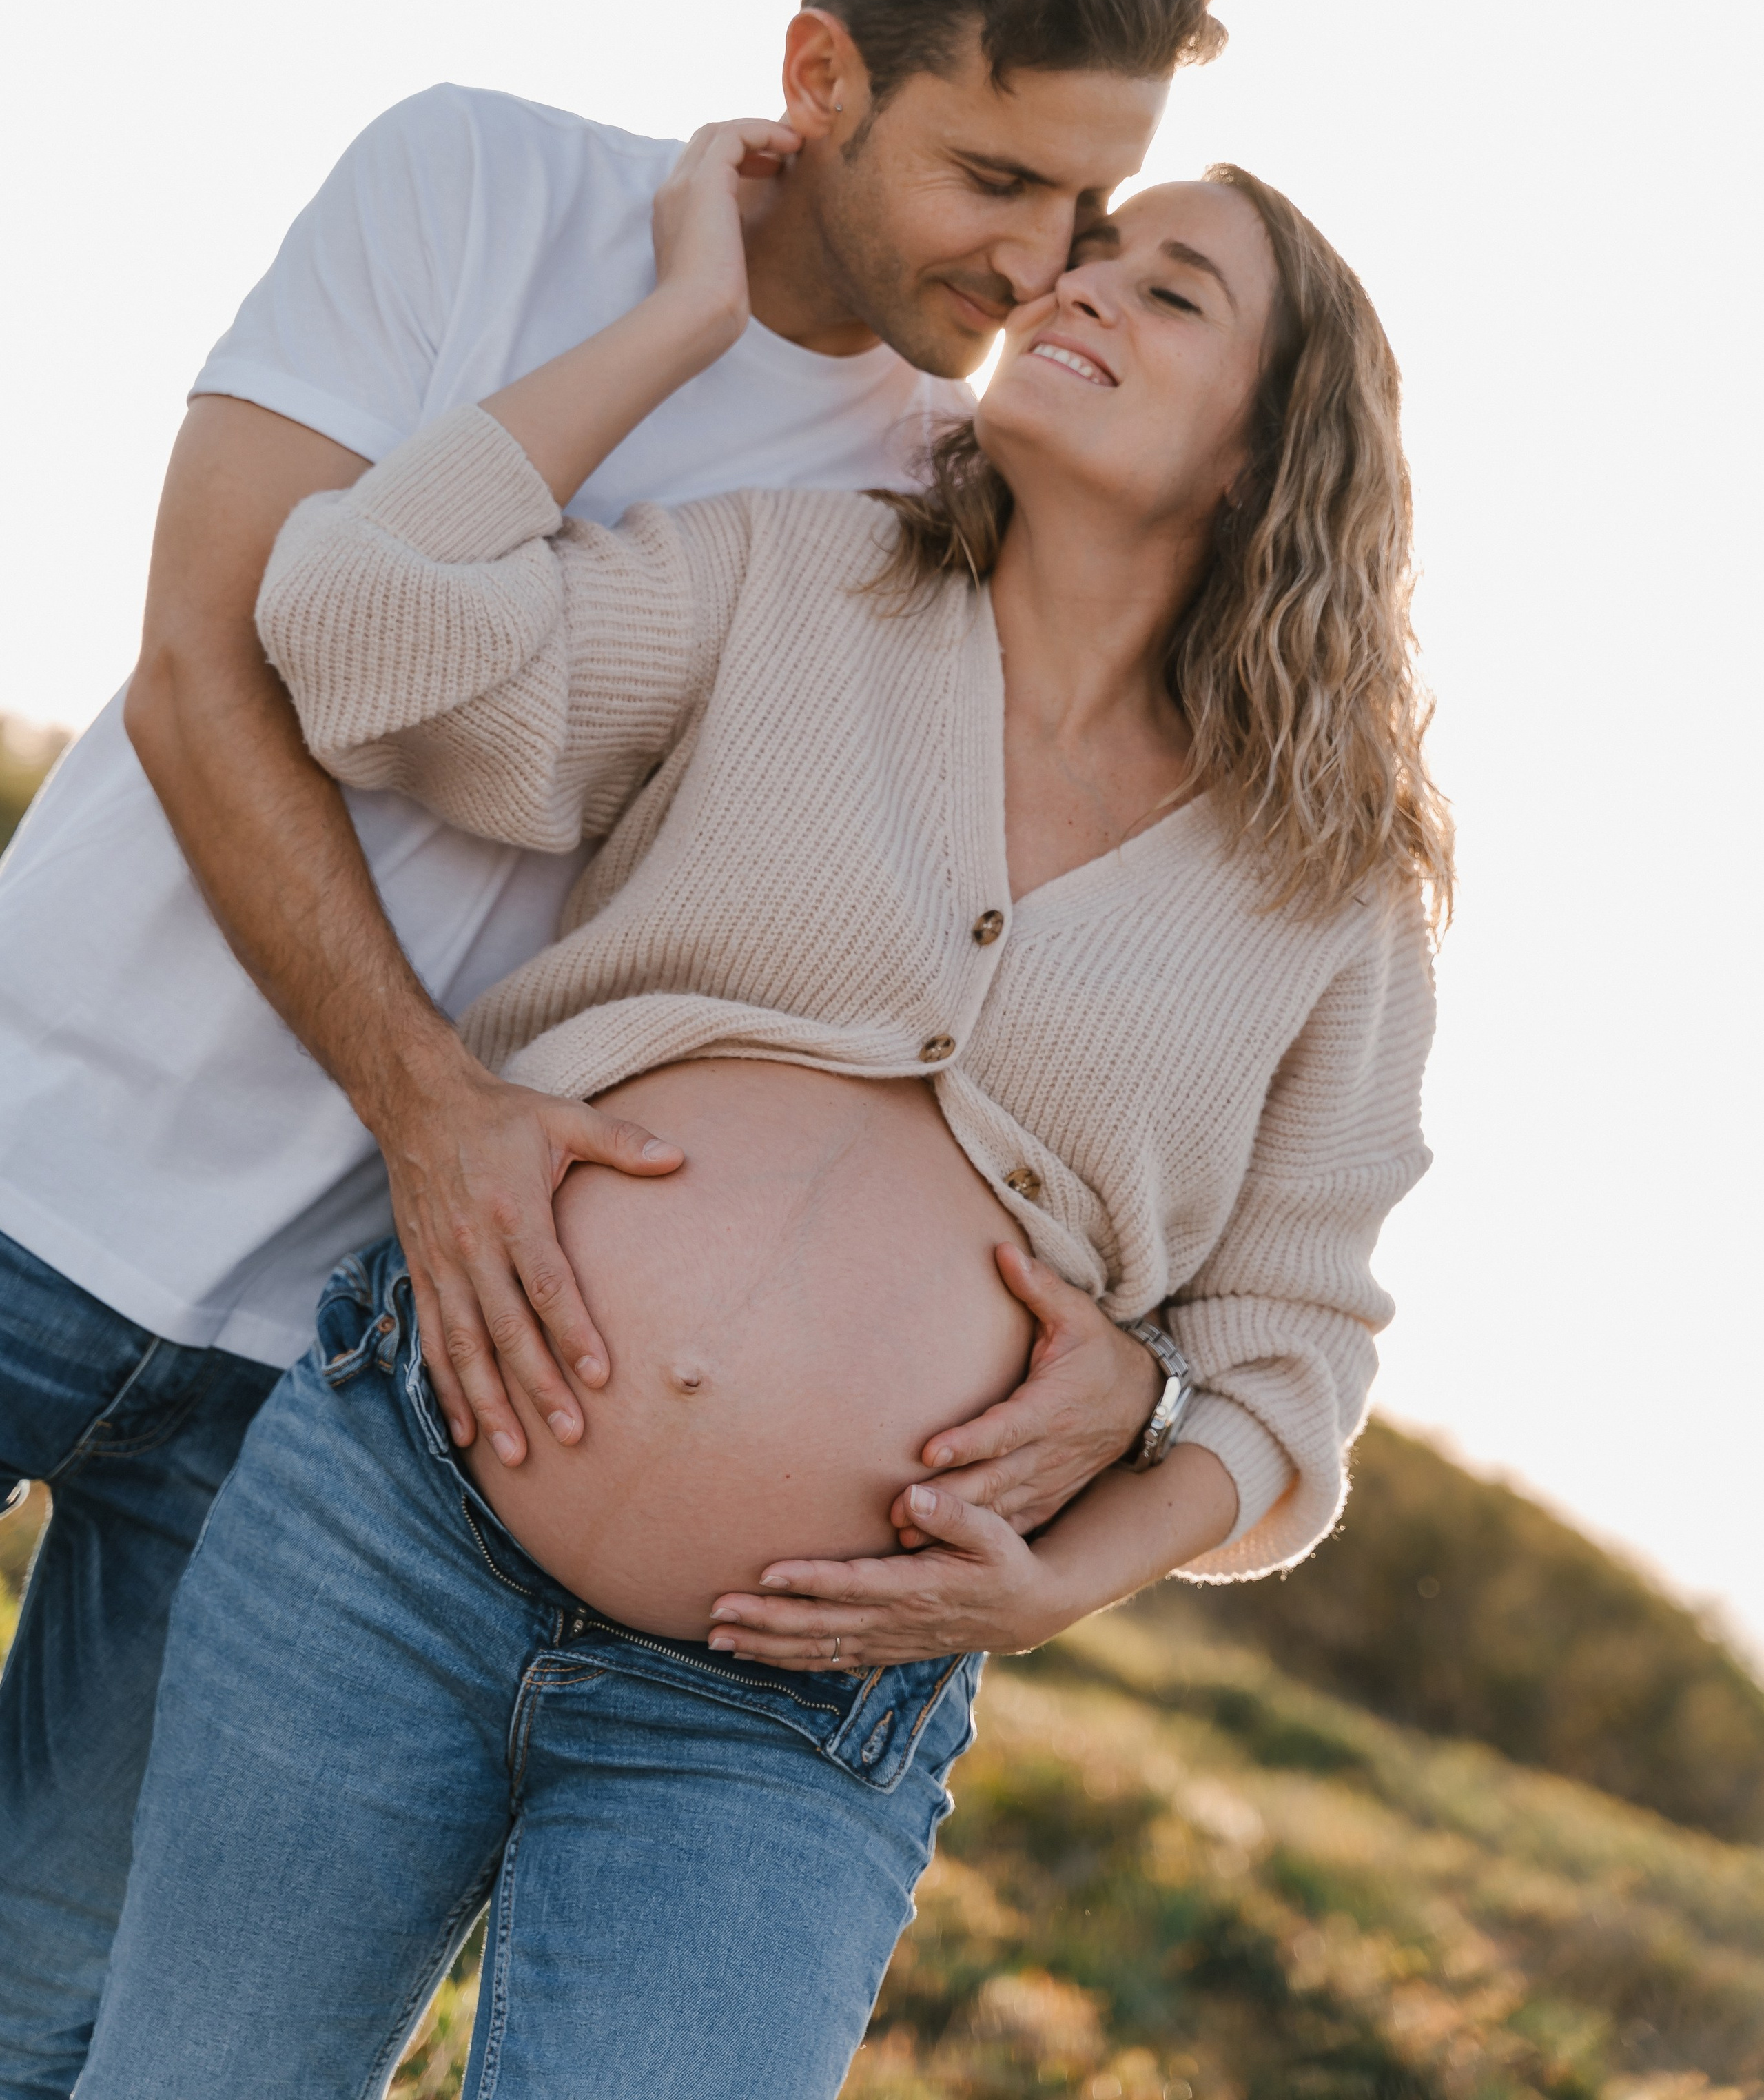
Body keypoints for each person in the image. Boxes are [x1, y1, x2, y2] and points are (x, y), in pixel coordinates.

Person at [0, 0, 1227, 2097]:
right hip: (27, 1166)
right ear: (824, 75)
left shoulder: (956, 517)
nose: (1042, 263)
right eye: (996, 182)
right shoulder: (475, 184)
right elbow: (208, 665)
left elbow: (1016, 1009)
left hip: (344, 1365)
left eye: (1093, 202)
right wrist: (433, 1108)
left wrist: (1152, 1397)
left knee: (32, 2002)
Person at [77, 139, 1448, 2097]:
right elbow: (360, 634)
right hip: (395, 1519)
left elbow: (1297, 1353)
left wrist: (1079, 1559)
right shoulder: (800, 579)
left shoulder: (1332, 889)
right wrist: (671, 329)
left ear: (1268, 458)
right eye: (1086, 261)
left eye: (1168, 292)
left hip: (795, 1717)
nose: (1078, 292)